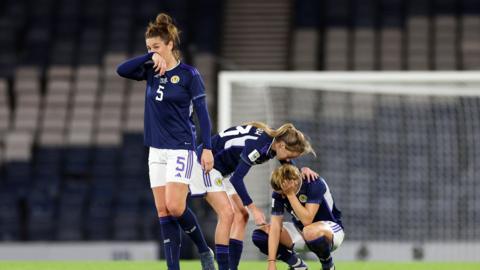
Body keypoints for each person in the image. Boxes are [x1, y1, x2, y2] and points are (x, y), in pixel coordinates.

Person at [116, 13, 216, 270]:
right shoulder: (150, 70)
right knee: (163, 211)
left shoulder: (189, 75)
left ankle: (204, 250)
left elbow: (202, 114)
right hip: (156, 150)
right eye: (149, 47)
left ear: (170, 44)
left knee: (174, 205)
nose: (152, 51)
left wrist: (206, 148)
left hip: (180, 148)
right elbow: (121, 69)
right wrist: (149, 57)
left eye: (156, 46)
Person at [195, 122, 318, 270]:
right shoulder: (259, 147)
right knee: (227, 214)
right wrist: (254, 209)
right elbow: (237, 179)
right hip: (206, 164)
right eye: (291, 155)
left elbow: (288, 166)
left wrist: (302, 169)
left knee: (242, 216)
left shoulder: (276, 142)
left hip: (224, 170)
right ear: (282, 146)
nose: (289, 159)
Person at [252, 164, 344, 270]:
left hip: (331, 233)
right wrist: (271, 262)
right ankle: (297, 266)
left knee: (309, 231)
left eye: (283, 193)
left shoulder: (313, 183)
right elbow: (276, 227)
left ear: (294, 182)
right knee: (260, 235)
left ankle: (328, 265)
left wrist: (290, 195)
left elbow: (307, 220)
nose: (282, 196)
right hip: (303, 232)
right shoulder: (280, 192)